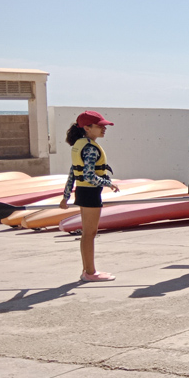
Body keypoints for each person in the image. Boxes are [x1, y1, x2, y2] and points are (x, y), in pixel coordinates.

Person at [59, 111, 120, 281]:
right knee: (90, 233)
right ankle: (90, 273)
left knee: (87, 233)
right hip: (91, 193)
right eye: (100, 126)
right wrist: (109, 183)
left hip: (82, 191)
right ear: (87, 128)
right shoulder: (91, 148)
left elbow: (73, 173)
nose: (104, 128)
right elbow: (88, 175)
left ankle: (87, 270)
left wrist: (66, 196)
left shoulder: (79, 145)